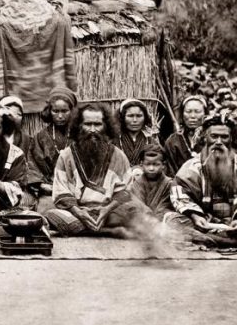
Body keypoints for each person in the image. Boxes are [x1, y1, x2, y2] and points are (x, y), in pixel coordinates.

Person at [43, 103, 157, 238]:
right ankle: (111, 231)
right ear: (79, 126)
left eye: (97, 124)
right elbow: (61, 190)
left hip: (110, 211)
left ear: (106, 126)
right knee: (51, 214)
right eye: (87, 124)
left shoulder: (118, 155)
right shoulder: (66, 156)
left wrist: (107, 209)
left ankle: (85, 229)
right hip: (76, 211)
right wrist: (78, 212)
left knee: (137, 211)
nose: (92, 130)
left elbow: (126, 190)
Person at [168, 114, 237, 250]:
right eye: (214, 136)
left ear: (232, 139)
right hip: (202, 221)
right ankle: (232, 242)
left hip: (233, 222)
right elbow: (179, 194)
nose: (219, 142)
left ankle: (213, 240)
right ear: (205, 138)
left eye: (224, 137)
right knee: (172, 221)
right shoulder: (192, 166)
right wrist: (195, 216)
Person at [27, 87, 79, 211]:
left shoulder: (80, 135)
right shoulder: (40, 137)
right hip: (51, 191)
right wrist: (43, 186)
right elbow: (33, 168)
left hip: (78, 191)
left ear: (72, 111)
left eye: (65, 111)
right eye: (55, 111)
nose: (60, 116)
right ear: (49, 111)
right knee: (47, 213)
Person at [163, 95, 210, 174]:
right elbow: (169, 170)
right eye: (188, 112)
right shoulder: (173, 141)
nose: (192, 116)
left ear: (205, 114)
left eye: (197, 112)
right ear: (182, 114)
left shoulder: (212, 138)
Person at [127, 146, 175, 218]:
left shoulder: (170, 184)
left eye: (156, 164)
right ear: (141, 164)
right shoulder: (136, 185)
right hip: (141, 221)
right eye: (148, 164)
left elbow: (166, 209)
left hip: (164, 222)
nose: (151, 168)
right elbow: (138, 209)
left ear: (163, 165)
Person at [117, 98, 157, 166]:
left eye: (139, 116)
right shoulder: (116, 141)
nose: (135, 120)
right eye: (130, 116)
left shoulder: (151, 141)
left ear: (145, 118)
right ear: (122, 118)